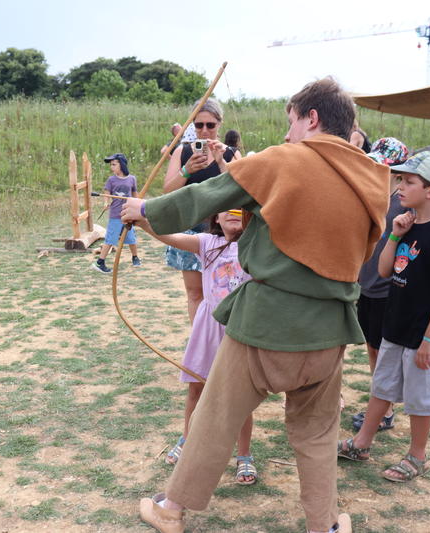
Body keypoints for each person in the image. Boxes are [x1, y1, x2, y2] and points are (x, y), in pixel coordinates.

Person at [122, 77, 389, 533]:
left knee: (214, 418)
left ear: (313, 118)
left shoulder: (286, 158)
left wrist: (145, 211)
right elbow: (362, 253)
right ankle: (324, 525)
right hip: (331, 331)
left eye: (292, 123)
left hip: (266, 324)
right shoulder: (374, 176)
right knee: (318, 435)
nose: (287, 136)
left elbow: (207, 196)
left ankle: (171, 509)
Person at [337, 151, 430, 485]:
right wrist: (393, 234)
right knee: (382, 387)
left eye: (409, 182)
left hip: (425, 335)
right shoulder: (407, 224)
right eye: (401, 180)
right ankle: (362, 444)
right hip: (396, 327)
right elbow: (383, 269)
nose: (400, 187)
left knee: (421, 400)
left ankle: (417, 455)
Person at [138, 210, 256, 485]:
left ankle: (244, 455)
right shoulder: (206, 243)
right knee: (196, 387)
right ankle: (188, 439)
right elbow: (170, 237)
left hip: (241, 329)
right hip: (208, 327)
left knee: (241, 397)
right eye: (227, 207)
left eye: (241, 207)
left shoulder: (258, 244)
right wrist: (143, 222)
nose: (234, 212)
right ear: (215, 217)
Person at [162, 98, 241, 324]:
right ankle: (199, 342)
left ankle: (222, 342)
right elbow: (168, 190)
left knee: (224, 292)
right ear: (192, 125)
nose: (204, 131)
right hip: (191, 230)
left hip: (223, 233)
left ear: (219, 124)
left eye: (210, 125)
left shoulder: (231, 153)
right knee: (195, 293)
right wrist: (187, 170)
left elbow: (243, 190)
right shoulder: (182, 152)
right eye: (199, 125)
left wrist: (222, 162)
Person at [351, 137, 410, 433]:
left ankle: (385, 411)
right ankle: (381, 403)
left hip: (390, 289)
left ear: (399, 173)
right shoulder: (368, 195)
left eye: (386, 168)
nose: (378, 171)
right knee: (373, 348)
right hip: (367, 286)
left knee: (386, 352)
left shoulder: (403, 205)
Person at [92, 153, 141, 273]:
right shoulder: (111, 180)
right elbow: (107, 192)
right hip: (115, 215)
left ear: (122, 165)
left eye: (114, 164)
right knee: (110, 239)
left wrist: (138, 205)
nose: (112, 167)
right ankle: (100, 262)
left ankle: (135, 257)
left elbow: (135, 194)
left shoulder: (132, 179)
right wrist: (106, 202)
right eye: (111, 165)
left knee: (131, 238)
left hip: (127, 214)